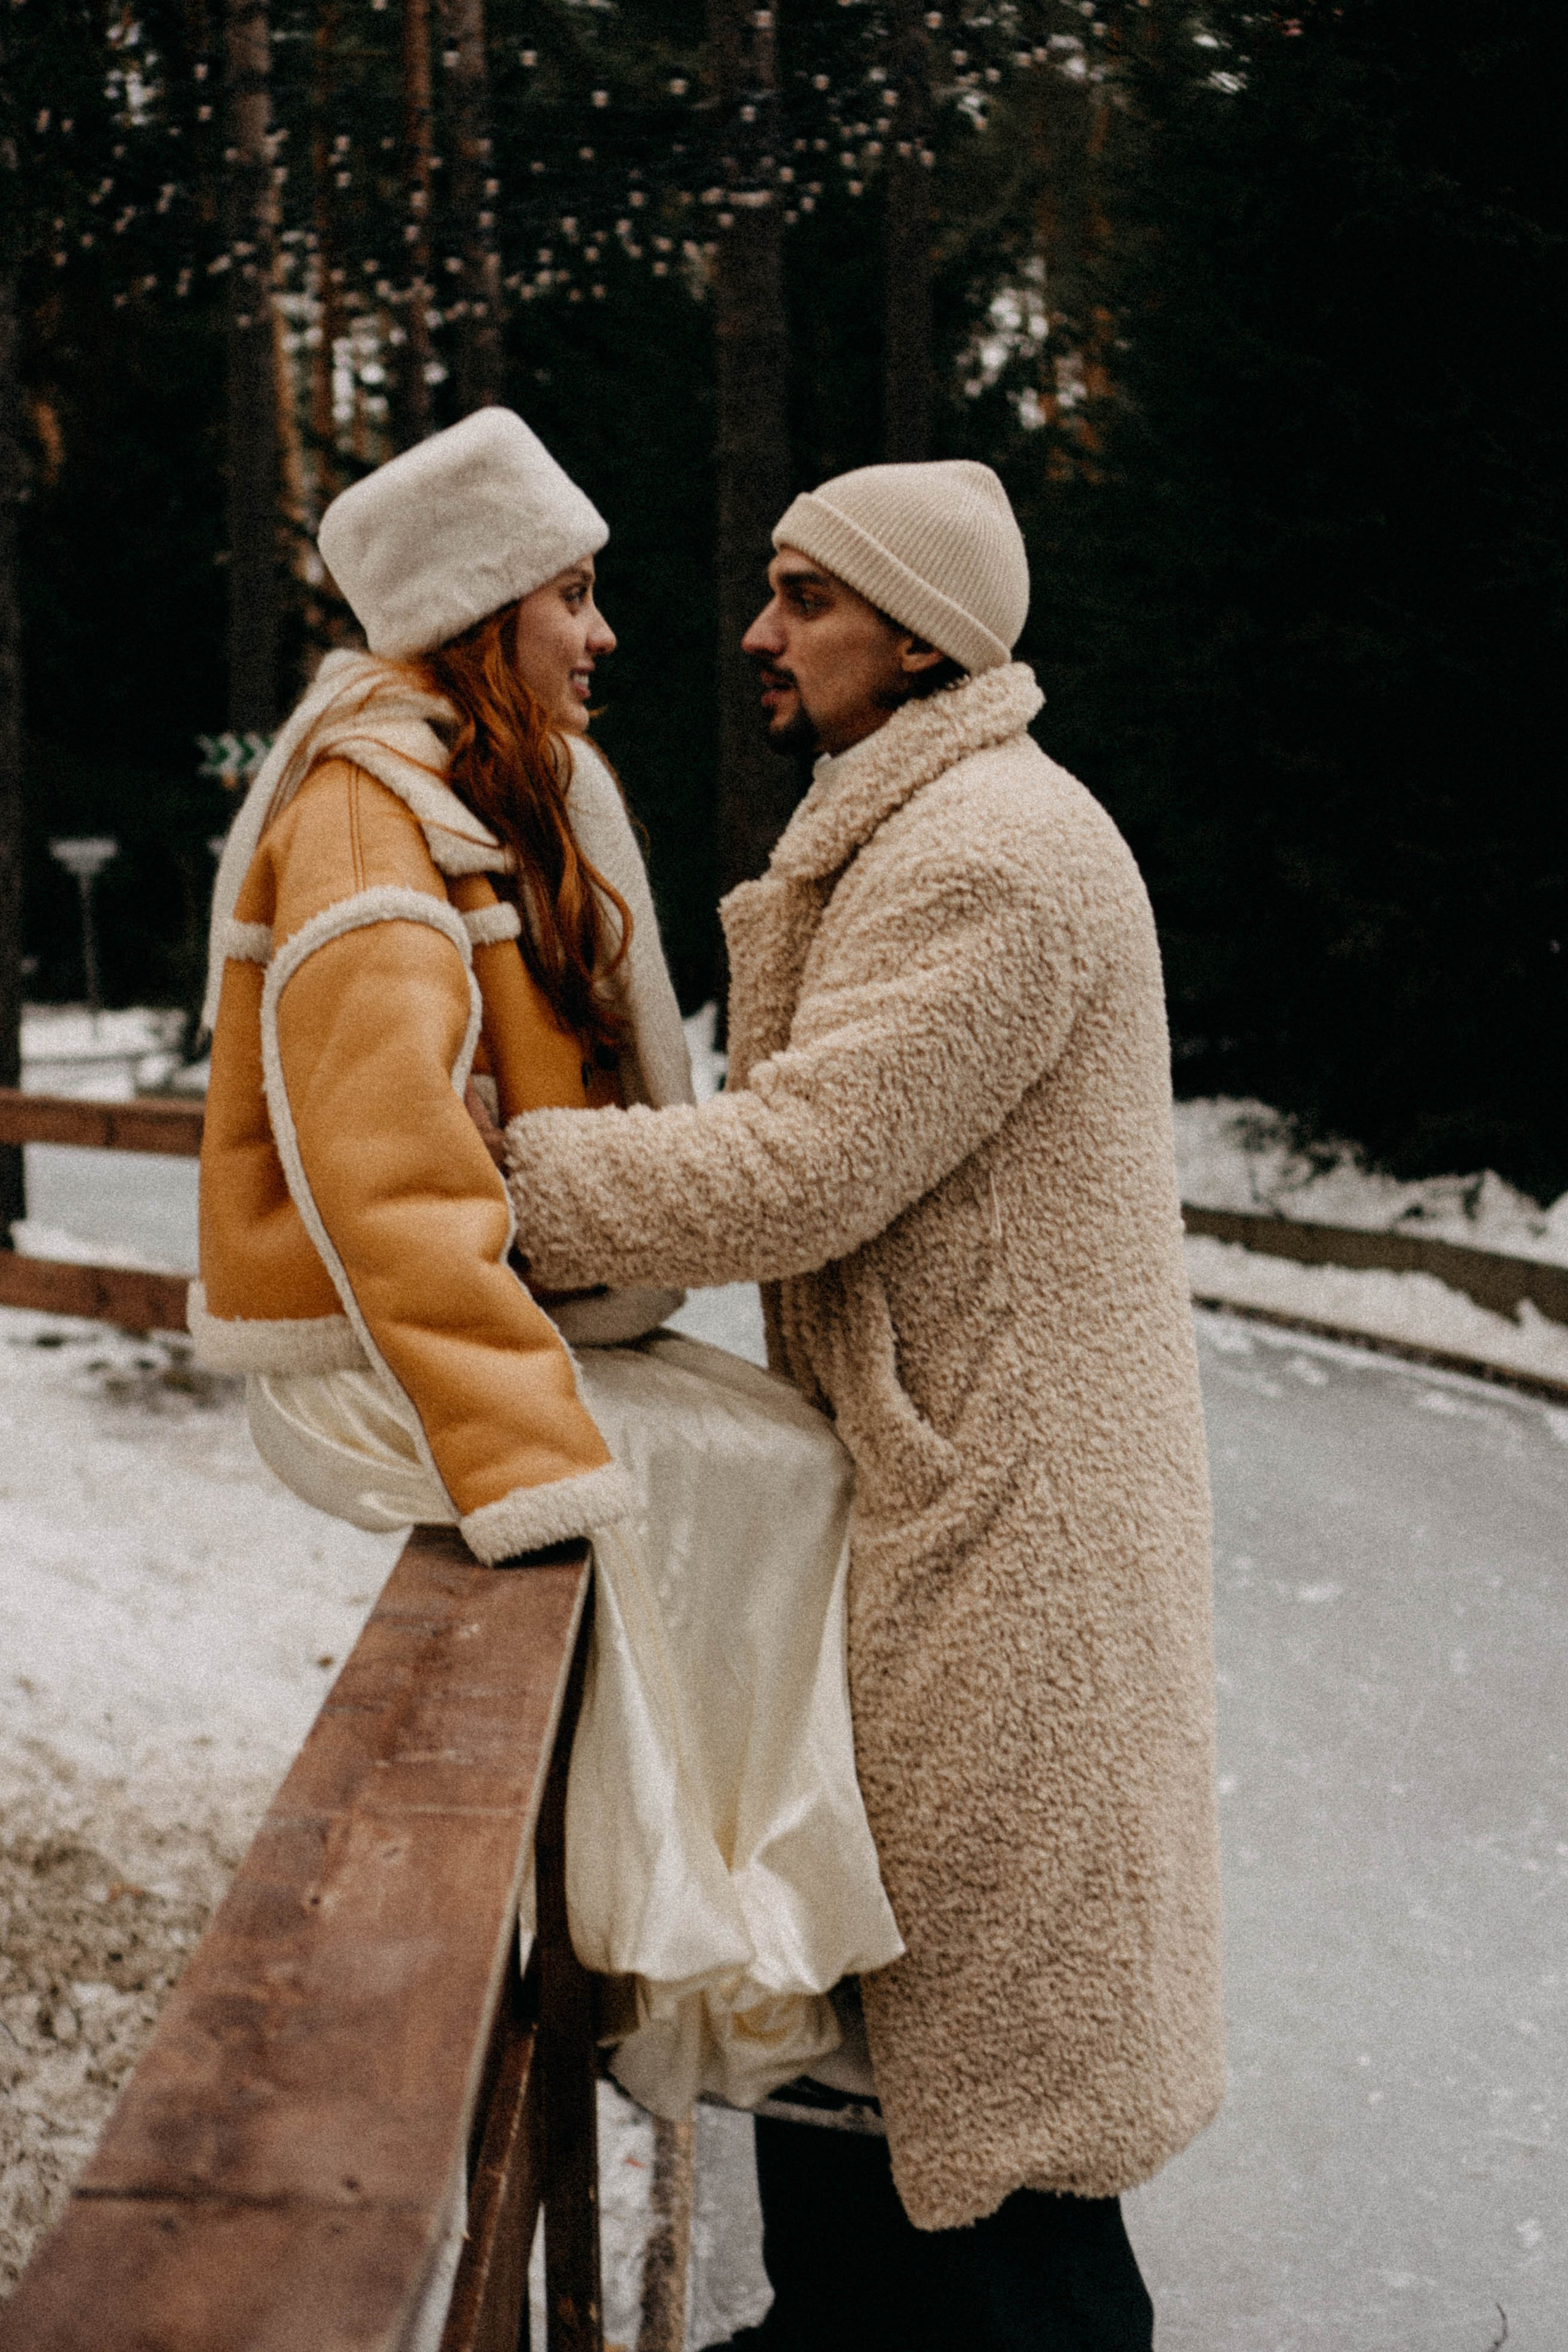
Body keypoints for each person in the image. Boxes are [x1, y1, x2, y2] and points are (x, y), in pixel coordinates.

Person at [489, 459, 1226, 2350]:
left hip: (1009, 1565)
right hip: (946, 1526)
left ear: (920, 631)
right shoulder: (923, 827)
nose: (756, 630)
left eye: (803, 596)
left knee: (1006, 2174)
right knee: (906, 2111)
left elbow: (805, 1162)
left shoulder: (995, 853)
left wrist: (500, 1180)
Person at [192, 408, 903, 2123]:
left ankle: (761, 1943)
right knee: (736, 1483)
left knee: (791, 1462)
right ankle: (706, 1976)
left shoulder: (488, 782)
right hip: (376, 1358)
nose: (604, 634)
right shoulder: (374, 816)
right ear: (477, 613)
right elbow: (390, 1194)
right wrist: (526, 1450)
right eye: (568, 597)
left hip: (471, 1333)